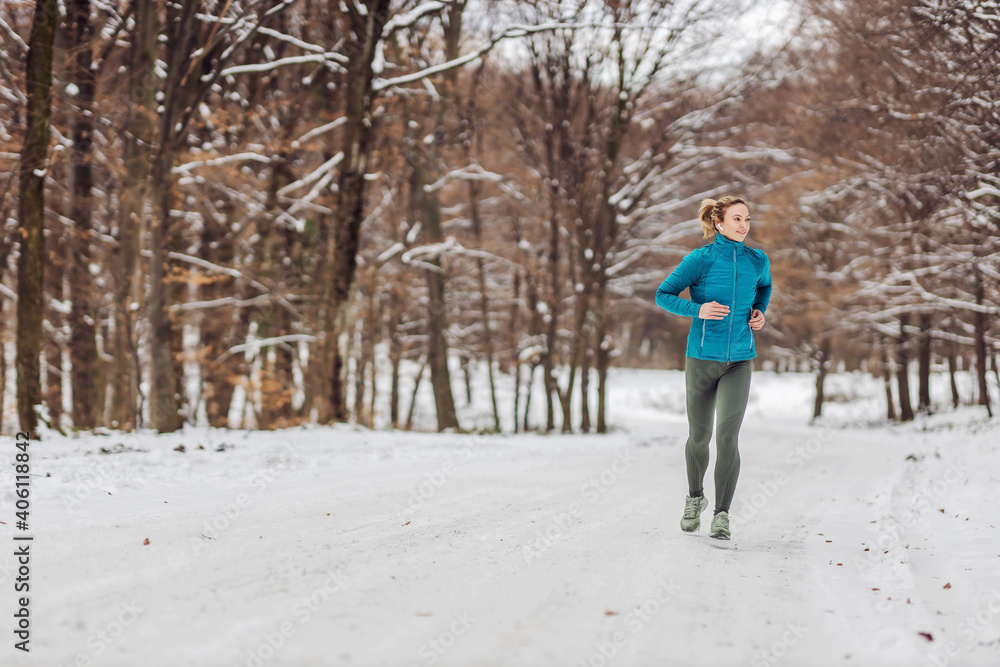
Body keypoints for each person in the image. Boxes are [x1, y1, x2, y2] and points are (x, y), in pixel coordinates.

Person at [654, 195, 772, 540]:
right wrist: (698, 310)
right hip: (702, 359)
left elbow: (763, 288)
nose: (744, 225)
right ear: (719, 223)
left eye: (747, 219)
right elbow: (664, 294)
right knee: (700, 436)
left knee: (727, 437)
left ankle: (722, 514)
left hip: (739, 360)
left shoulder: (757, 260)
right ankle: (695, 498)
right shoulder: (700, 259)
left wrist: (759, 312)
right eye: (737, 219)